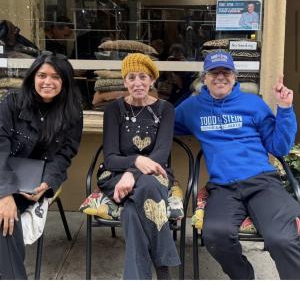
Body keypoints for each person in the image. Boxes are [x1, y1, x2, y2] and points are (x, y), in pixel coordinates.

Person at [174, 50, 300, 279]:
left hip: (262, 181)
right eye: (214, 72)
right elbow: (164, 124)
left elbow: (279, 147)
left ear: (234, 77)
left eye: (226, 72)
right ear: (204, 78)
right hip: (223, 187)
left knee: (281, 238)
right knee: (215, 235)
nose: (220, 77)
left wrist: (284, 109)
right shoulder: (192, 108)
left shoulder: (253, 104)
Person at [0, 51, 83, 279]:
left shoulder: (72, 110)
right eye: (42, 75)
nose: (48, 82)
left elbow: (66, 153)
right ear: (32, 77)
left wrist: (47, 183)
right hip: (4, 173)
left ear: (64, 81)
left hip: (38, 179)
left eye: (56, 77)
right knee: (5, 219)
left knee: (6, 221)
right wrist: (5, 195)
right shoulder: (12, 102)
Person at [98, 53, 180, 279]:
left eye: (143, 77)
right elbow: (111, 157)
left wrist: (132, 175)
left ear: (152, 80)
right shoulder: (114, 110)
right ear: (124, 81)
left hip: (154, 173)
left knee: (134, 212)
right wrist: (136, 161)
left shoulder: (165, 109)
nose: (137, 83)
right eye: (131, 77)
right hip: (115, 175)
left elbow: (161, 154)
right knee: (149, 190)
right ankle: (164, 269)